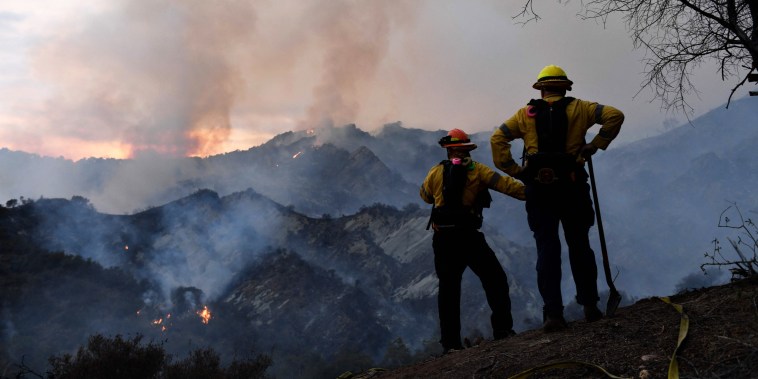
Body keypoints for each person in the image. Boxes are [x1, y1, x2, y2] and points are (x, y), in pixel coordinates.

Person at [490, 64, 624, 332]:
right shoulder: (582, 109)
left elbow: (498, 139)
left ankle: (553, 314)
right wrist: (594, 145)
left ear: (541, 90)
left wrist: (517, 172)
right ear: (565, 87)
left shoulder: (524, 115)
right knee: (579, 246)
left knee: (547, 249)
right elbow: (615, 116)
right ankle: (589, 306)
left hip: (540, 191)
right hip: (572, 187)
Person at [420, 128, 526, 353]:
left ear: (448, 151)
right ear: (466, 150)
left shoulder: (435, 172)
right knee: (495, 279)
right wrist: (535, 191)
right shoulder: (478, 171)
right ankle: (503, 330)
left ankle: (450, 344)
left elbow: (425, 195)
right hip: (468, 236)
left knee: (449, 291)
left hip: (443, 239)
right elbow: (507, 186)